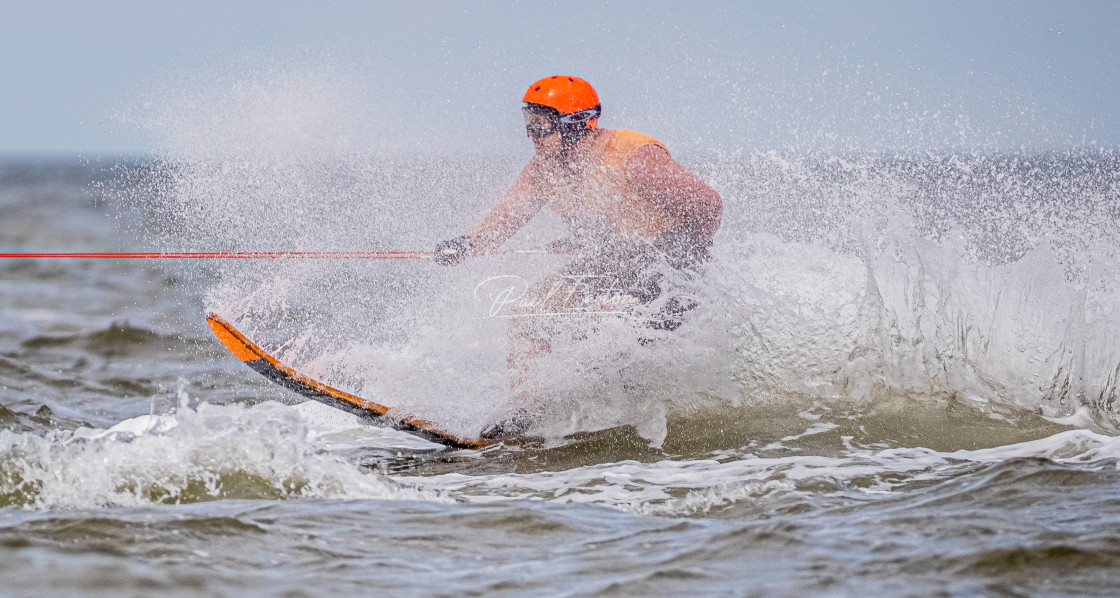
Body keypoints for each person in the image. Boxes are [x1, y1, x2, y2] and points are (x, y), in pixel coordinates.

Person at [435, 75, 721, 434]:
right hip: (612, 266)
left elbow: (707, 204)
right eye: (529, 126)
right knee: (528, 312)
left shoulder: (632, 156)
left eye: (542, 127)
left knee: (609, 341)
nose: (533, 137)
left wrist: (692, 253)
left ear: (575, 125)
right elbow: (510, 213)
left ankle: (626, 425)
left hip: (671, 269)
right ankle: (526, 414)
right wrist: (466, 243)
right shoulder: (545, 167)